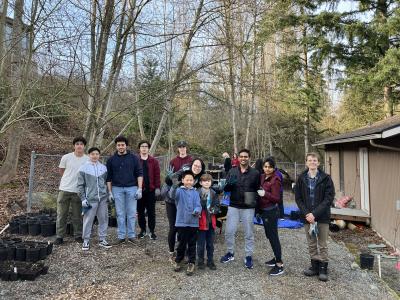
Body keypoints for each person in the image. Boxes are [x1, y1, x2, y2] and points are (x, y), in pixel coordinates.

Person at [295, 152, 334, 282]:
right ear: (306, 162)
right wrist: (307, 214)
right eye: (310, 160)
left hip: (321, 217)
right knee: (311, 243)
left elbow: (328, 198)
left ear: (318, 162)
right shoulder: (301, 178)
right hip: (307, 217)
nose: (312, 162)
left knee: (322, 244)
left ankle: (323, 268)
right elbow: (298, 198)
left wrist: (315, 214)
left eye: (315, 160)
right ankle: (314, 266)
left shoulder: (326, 178)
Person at [220, 149, 260, 269]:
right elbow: (225, 189)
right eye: (241, 156)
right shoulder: (232, 171)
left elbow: (257, 189)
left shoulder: (255, 173)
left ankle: (248, 256)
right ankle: (230, 252)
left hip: (248, 206)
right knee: (229, 231)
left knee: (249, 233)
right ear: (238, 158)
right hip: (234, 205)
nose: (243, 158)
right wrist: (229, 185)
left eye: (245, 156)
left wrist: (256, 207)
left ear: (249, 158)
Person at [165, 158, 205, 262]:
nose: (197, 167)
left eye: (199, 166)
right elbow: (170, 180)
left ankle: (185, 252)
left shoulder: (200, 177)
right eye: (195, 165)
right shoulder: (184, 171)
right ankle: (171, 252)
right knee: (174, 227)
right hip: (172, 201)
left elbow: (206, 185)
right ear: (192, 165)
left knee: (186, 228)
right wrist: (170, 178)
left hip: (185, 204)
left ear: (202, 168)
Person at [106, 136, 143, 244]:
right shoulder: (111, 160)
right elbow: (109, 177)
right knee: (120, 213)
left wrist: (139, 189)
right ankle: (121, 236)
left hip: (132, 188)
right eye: (118, 145)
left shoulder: (134, 158)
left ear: (126, 145)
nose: (121, 147)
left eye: (122, 145)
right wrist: (110, 192)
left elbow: (139, 174)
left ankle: (131, 235)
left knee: (131, 213)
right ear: (116, 146)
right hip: (117, 189)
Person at [55, 137, 89, 245]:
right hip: (64, 190)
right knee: (61, 214)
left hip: (78, 191)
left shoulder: (87, 159)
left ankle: (78, 235)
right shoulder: (66, 157)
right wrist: (68, 180)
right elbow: (61, 171)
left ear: (84, 146)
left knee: (77, 215)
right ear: (74, 146)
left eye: (81, 144)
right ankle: (59, 236)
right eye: (77, 144)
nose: (79, 146)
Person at [77, 147, 112, 251]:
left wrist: (108, 193)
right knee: (88, 220)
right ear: (89, 155)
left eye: (97, 154)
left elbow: (106, 181)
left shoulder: (103, 168)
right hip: (90, 199)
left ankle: (102, 239)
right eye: (92, 154)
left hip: (102, 198)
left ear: (99, 155)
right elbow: (80, 185)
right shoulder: (83, 168)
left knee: (103, 219)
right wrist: (83, 198)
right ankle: (86, 240)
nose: (95, 156)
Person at [172, 170, 202, 276]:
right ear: (183, 180)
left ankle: (191, 262)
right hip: (181, 223)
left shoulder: (196, 192)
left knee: (192, 244)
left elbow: (199, 205)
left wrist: (197, 210)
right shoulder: (179, 191)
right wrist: (174, 186)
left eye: (191, 180)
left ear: (194, 181)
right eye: (187, 180)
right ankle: (178, 260)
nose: (189, 182)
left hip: (193, 223)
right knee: (181, 243)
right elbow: (172, 196)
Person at [257, 157, 284, 276]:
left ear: (273, 168)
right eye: (265, 166)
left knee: (273, 237)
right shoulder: (262, 177)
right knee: (269, 235)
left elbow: (277, 198)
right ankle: (275, 257)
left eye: (269, 167)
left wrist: (265, 194)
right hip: (263, 211)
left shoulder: (275, 180)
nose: (267, 169)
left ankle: (279, 264)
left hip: (271, 211)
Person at [137, 140, 161, 240]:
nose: (144, 148)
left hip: (151, 191)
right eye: (142, 146)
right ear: (139, 148)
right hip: (139, 191)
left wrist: (157, 187)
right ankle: (142, 230)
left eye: (146, 146)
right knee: (140, 212)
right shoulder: (136, 160)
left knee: (151, 212)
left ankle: (151, 231)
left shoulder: (154, 161)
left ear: (148, 148)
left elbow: (157, 175)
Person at [197, 174, 220, 271]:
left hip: (211, 221)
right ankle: (200, 261)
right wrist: (200, 206)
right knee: (201, 244)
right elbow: (194, 205)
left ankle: (210, 261)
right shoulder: (197, 192)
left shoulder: (214, 193)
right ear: (200, 182)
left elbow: (218, 206)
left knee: (210, 243)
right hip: (201, 222)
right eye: (205, 181)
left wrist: (214, 210)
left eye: (209, 181)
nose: (207, 182)